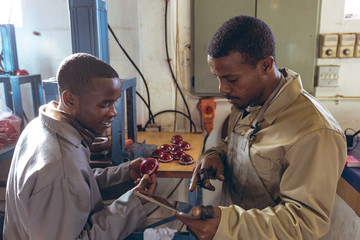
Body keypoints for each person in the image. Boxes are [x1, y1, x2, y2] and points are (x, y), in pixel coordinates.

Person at [175, 15, 347, 239]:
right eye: (217, 77)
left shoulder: (315, 132)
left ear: (265, 65)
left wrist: (227, 224)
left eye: (231, 79)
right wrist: (216, 154)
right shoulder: (247, 101)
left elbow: (306, 222)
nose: (222, 89)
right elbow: (240, 145)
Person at [3, 53, 157, 239]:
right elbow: (65, 181)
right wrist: (133, 203)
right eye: (104, 105)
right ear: (70, 100)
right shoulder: (60, 165)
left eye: (114, 103)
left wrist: (123, 175)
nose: (114, 113)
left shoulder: (40, 126)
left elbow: (76, 187)